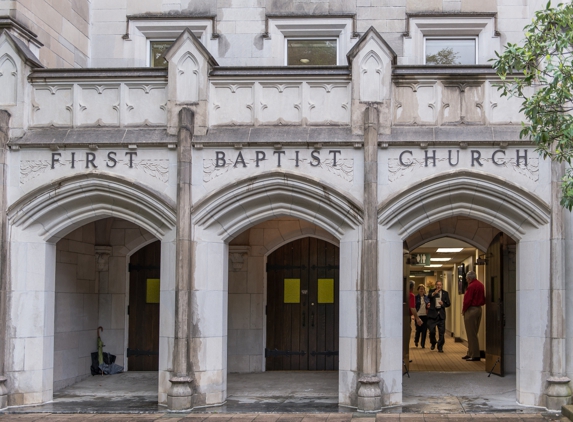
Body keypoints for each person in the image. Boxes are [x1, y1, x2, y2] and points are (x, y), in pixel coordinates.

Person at [462, 270, 486, 361]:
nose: (467, 280)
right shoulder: (480, 284)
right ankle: (470, 352)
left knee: (471, 333)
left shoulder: (471, 286)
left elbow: (467, 300)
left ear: (469, 278)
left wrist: (464, 310)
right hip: (479, 309)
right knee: (474, 332)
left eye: (467, 279)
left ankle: (475, 354)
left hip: (471, 309)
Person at [427, 280, 451, 353]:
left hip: (441, 315)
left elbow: (448, 303)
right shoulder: (432, 291)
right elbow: (429, 296)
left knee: (441, 332)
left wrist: (443, 304)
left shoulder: (445, 293)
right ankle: (433, 342)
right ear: (435, 285)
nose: (438, 286)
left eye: (440, 285)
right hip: (432, 315)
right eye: (437, 284)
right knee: (431, 331)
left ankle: (440, 346)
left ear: (442, 285)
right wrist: (434, 293)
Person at [407, 280, 423, 357]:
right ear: (412, 287)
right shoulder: (411, 295)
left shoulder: (403, 294)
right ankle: (405, 355)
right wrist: (417, 318)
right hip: (406, 317)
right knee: (407, 336)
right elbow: (412, 308)